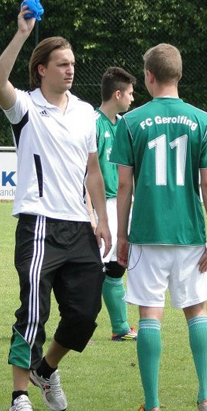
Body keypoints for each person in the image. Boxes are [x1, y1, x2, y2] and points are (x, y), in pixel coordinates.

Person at [0, 1, 112, 411]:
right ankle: (18, 396)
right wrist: (23, 34)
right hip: (38, 223)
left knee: (84, 313)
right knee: (34, 311)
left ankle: (46, 370)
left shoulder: (85, 113)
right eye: (61, 63)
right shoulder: (24, 107)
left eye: (73, 64)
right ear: (41, 68)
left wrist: (103, 220)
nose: (70, 70)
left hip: (80, 227)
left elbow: (93, 170)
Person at [110, 43, 207, 411]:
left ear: (149, 77)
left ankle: (153, 404)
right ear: (179, 74)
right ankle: (206, 399)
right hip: (190, 234)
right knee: (197, 311)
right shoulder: (203, 120)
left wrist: (122, 236)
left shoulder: (129, 122)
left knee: (149, 317)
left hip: (145, 233)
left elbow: (124, 186)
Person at [89, 66, 138, 342]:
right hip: (99, 206)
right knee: (90, 270)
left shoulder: (122, 124)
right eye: (129, 93)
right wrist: (90, 213)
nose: (132, 98)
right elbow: (85, 172)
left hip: (117, 204)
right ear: (117, 94)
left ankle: (120, 327)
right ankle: (76, 324)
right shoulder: (93, 123)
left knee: (117, 264)